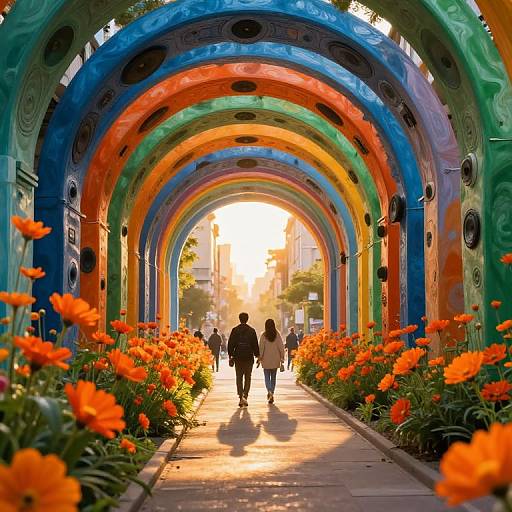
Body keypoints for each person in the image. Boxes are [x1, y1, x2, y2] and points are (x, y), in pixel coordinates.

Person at [228, 312, 259, 407]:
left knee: (239, 377)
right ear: (247, 319)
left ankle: (240, 395)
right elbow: (255, 344)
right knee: (248, 377)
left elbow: (230, 344)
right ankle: (245, 395)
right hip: (249, 357)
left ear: (239, 319)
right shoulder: (251, 330)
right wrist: (257, 355)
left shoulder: (235, 330)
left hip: (238, 357)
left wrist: (231, 355)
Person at [258, 319, 285, 404]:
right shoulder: (277, 335)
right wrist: (282, 357)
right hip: (275, 359)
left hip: (266, 360)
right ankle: (272, 392)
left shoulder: (263, 335)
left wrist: (259, 357)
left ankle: (269, 390)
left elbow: (261, 348)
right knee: (273, 377)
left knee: (266, 377)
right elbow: (281, 347)